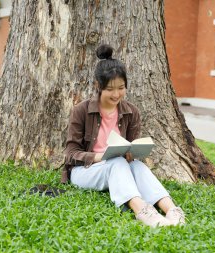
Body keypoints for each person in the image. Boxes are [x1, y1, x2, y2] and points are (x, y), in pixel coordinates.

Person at [62, 44, 185, 227]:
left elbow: (131, 148)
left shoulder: (131, 112)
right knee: (117, 162)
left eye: (121, 88)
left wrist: (132, 152)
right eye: (110, 89)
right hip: (84, 171)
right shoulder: (82, 111)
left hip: (119, 169)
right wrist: (98, 157)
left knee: (138, 166)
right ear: (98, 86)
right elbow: (71, 153)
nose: (116, 94)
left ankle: (172, 210)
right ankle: (142, 210)